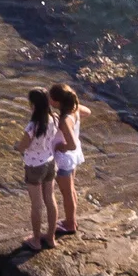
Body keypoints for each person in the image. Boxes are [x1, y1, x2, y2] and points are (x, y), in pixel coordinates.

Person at [20, 87, 59, 251]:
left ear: (33, 105)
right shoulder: (54, 118)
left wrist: (16, 146)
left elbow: (23, 146)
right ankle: (50, 237)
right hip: (50, 162)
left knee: (36, 205)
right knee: (50, 199)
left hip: (34, 167)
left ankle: (36, 240)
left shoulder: (32, 127)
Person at [50, 82, 86, 236]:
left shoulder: (65, 119)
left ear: (57, 102)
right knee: (71, 190)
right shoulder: (75, 109)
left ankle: (70, 223)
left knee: (67, 192)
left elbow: (70, 144)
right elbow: (89, 111)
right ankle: (72, 219)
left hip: (65, 159)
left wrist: (60, 147)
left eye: (50, 98)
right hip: (74, 156)